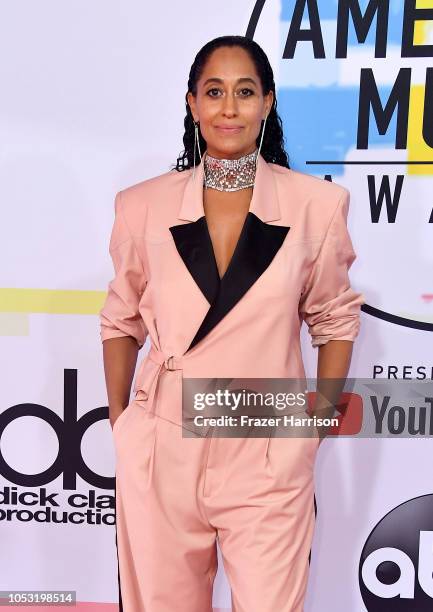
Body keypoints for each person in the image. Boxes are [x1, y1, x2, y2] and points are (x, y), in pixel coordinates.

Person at [99, 35, 365, 612]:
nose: (228, 108)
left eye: (244, 93)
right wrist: (125, 426)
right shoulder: (141, 205)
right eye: (214, 92)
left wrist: (312, 424)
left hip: (266, 441)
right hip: (162, 445)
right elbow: (120, 318)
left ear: (267, 103)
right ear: (191, 103)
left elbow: (335, 318)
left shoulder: (315, 206)